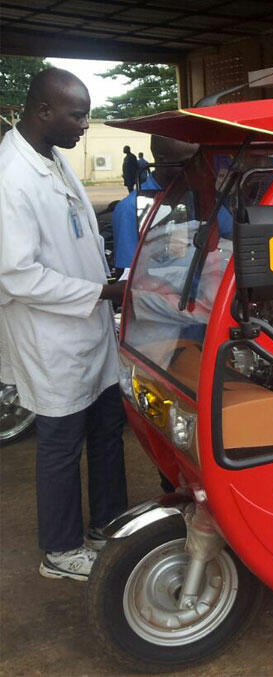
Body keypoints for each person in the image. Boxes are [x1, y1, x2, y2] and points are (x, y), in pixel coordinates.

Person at [0, 68, 128, 581]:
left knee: (106, 427)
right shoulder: (12, 175)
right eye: (77, 115)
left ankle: (109, 524)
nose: (85, 125)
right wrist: (101, 291)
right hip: (51, 337)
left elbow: (77, 236)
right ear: (43, 111)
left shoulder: (52, 159)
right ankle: (59, 549)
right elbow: (16, 275)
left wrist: (107, 278)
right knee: (59, 442)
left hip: (89, 327)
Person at [111, 135, 198, 272]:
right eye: (186, 163)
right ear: (162, 160)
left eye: (198, 160)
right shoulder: (130, 208)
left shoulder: (199, 197)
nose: (196, 168)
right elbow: (130, 272)